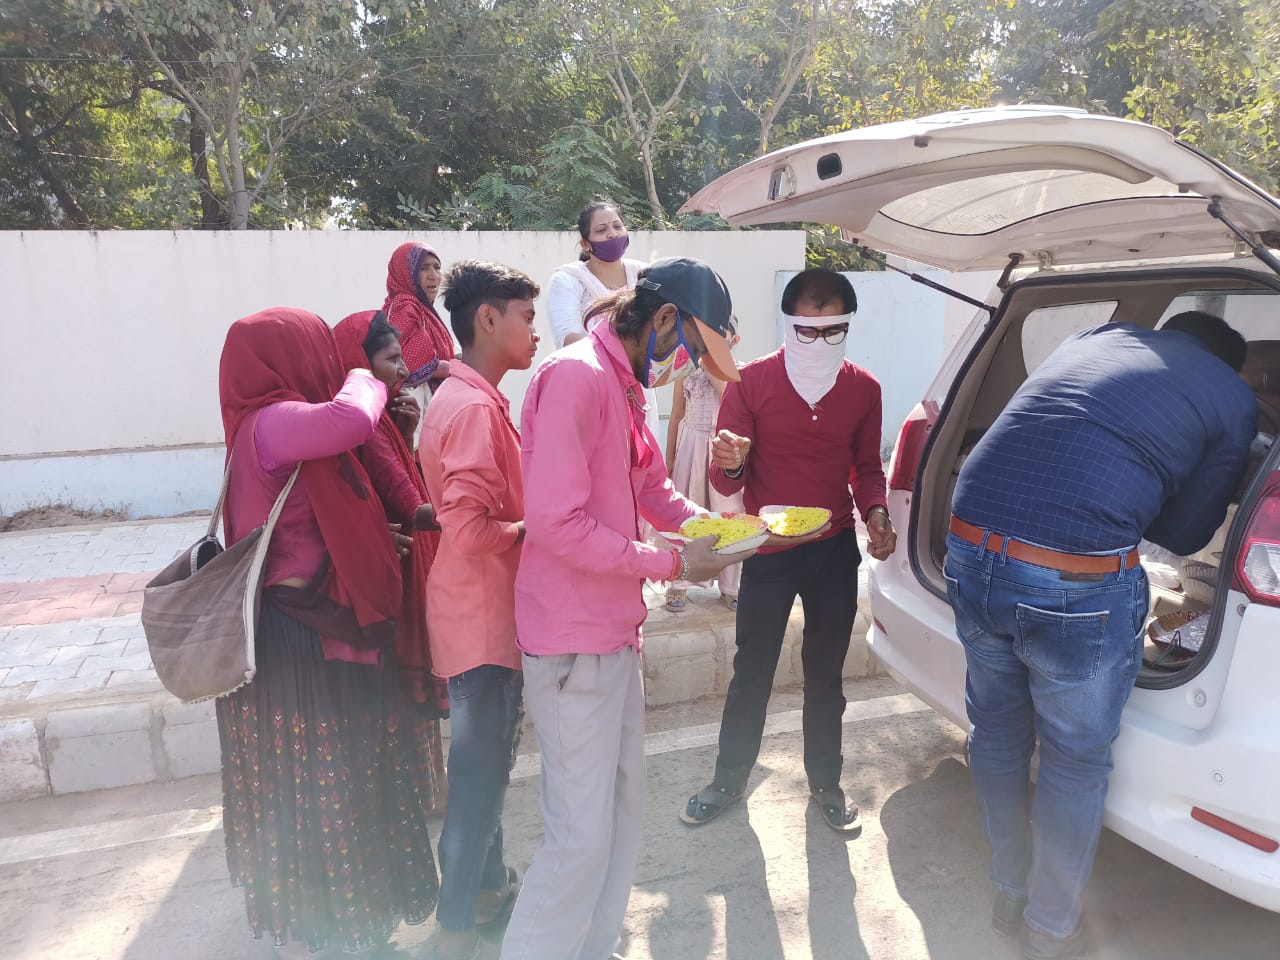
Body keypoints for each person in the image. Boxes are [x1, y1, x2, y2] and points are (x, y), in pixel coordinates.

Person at [945, 311, 1256, 959]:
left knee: (996, 731)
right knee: (1074, 760)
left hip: (968, 550)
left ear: (1168, 332)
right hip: (1072, 584)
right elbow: (1185, 535)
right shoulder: (1232, 396)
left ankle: (1007, 891)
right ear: (1229, 362)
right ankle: (1050, 929)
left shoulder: (1095, 338)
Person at [501, 257, 745, 960]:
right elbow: (557, 523)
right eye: (692, 348)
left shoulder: (623, 384)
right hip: (571, 642)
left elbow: (653, 489)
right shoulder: (576, 377)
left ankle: (593, 946)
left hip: (613, 633)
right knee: (578, 838)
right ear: (663, 318)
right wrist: (674, 565)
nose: (687, 365)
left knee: (620, 815)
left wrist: (728, 531)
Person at [216, 307, 440, 957]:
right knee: (332, 789)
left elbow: (321, 519)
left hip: (314, 629)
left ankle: (356, 930)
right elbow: (351, 418)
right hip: (305, 642)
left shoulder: (277, 428)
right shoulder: (273, 421)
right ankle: (349, 937)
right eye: (317, 351)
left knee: (341, 783)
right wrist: (360, 373)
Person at [681, 268, 898, 834]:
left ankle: (826, 781)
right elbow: (725, 479)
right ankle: (728, 780)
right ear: (788, 324)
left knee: (826, 675)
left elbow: (866, 468)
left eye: (833, 331)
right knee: (751, 671)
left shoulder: (864, 389)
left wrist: (876, 513)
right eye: (807, 330)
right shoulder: (751, 382)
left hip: (833, 550)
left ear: (848, 326)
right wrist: (731, 460)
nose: (819, 342)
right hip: (770, 551)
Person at [417, 261, 541, 960]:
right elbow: (467, 528)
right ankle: (455, 927)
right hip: (484, 619)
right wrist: (532, 529)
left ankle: (488, 892)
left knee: (484, 771)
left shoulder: (467, 397)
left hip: (475, 612)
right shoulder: (469, 408)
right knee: (478, 781)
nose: (535, 332)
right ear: (488, 319)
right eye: (526, 316)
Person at [332, 309, 448, 814]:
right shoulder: (368, 427)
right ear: (358, 364)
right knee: (404, 686)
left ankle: (424, 789)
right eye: (391, 359)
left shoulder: (380, 421)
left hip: (398, 561)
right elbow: (411, 506)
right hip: (393, 569)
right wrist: (488, 517)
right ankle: (420, 793)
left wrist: (407, 433)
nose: (402, 370)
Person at [545, 200, 661, 441]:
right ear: (585, 244)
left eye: (617, 226)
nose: (612, 234)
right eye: (601, 230)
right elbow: (568, 339)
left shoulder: (645, 275)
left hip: (640, 391)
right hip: (592, 387)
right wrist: (622, 356)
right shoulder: (568, 279)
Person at [663, 317, 744, 612]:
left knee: (728, 515)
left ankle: (730, 586)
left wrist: (713, 366)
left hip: (723, 452)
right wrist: (669, 459)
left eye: (720, 340)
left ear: (734, 342)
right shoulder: (685, 371)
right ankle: (678, 583)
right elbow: (676, 415)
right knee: (686, 514)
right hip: (691, 448)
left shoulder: (738, 372)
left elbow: (731, 400)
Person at [383, 241, 455, 445]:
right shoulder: (405, 307)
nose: (433, 275)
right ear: (405, 273)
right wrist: (461, 368)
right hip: (413, 420)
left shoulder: (420, 309)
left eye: (437, 267)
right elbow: (410, 363)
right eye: (423, 268)